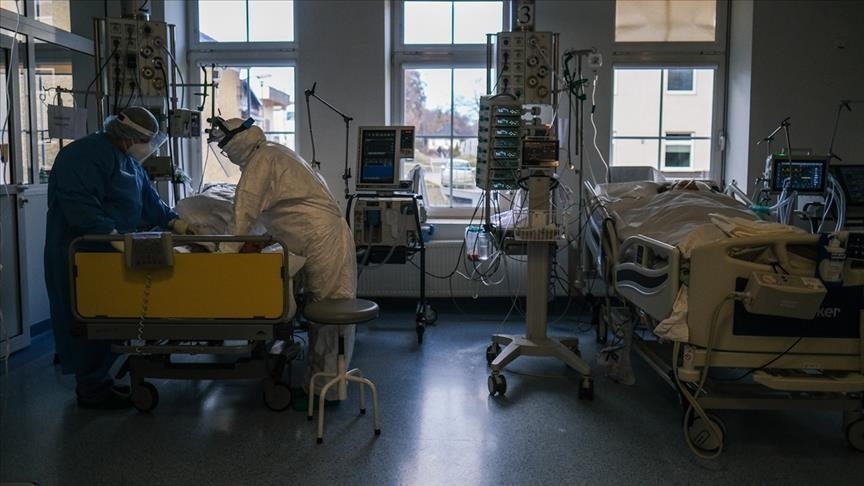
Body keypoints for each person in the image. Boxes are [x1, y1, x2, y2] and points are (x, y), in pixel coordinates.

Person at [45, 106, 191, 409]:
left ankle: (101, 380)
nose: (148, 148)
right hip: (81, 253)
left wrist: (177, 223)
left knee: (111, 316)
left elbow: (150, 201)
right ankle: (91, 388)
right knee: (88, 319)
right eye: (146, 141)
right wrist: (112, 237)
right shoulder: (82, 155)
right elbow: (80, 207)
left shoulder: (130, 162)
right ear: (129, 136)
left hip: (111, 252)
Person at [209, 117, 357, 401]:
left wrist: (223, 255)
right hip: (318, 237)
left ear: (238, 142)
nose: (226, 153)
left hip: (322, 239)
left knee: (330, 311)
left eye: (226, 147)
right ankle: (323, 383)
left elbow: (244, 213)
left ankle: (326, 392)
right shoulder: (274, 151)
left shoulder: (262, 161)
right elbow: (272, 211)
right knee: (323, 309)